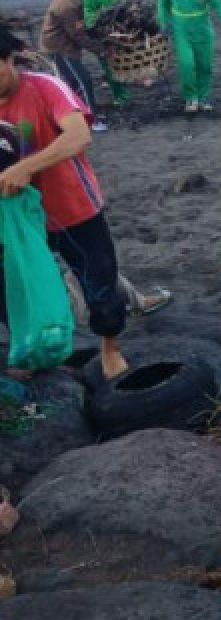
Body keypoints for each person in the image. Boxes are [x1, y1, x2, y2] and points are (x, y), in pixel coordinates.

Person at [0, 25, 129, 379]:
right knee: (14, 283)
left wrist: (28, 167)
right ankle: (30, 345)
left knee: (98, 278)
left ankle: (110, 347)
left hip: (71, 207)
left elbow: (79, 136)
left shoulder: (45, 88)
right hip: (18, 220)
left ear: (10, 59)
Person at [40, 0, 104, 130]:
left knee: (72, 82)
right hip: (60, 48)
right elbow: (77, 36)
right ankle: (93, 121)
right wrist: (99, 49)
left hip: (66, 43)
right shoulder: (66, 5)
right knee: (83, 81)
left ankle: (77, 115)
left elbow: (78, 29)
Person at [79, 0, 130, 109]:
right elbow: (88, 13)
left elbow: (122, 0)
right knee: (108, 63)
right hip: (98, 31)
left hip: (118, 27)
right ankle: (120, 96)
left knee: (122, 60)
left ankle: (123, 91)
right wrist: (105, 14)